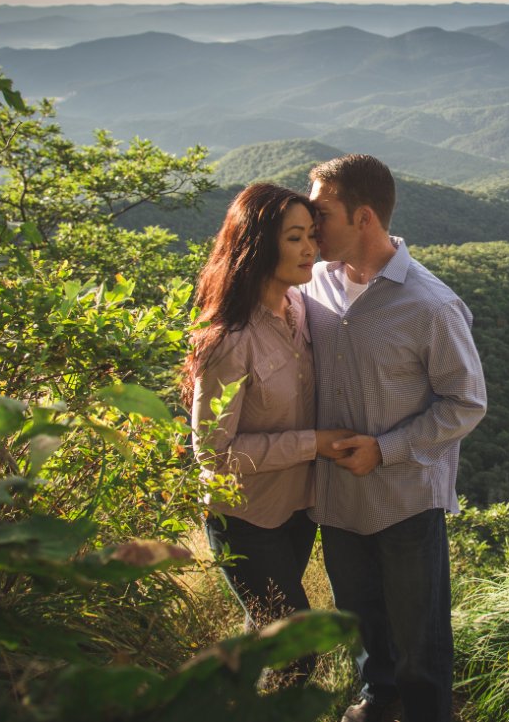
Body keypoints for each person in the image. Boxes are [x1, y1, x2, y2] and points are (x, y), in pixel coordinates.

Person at [303, 154, 488, 722]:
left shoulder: (431, 306)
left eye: (321, 212)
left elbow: (466, 403)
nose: (311, 224)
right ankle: (377, 704)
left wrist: (386, 448)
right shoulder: (312, 285)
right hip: (337, 498)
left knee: (419, 635)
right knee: (361, 619)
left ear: (363, 217)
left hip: (406, 497)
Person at [181, 182, 356, 677]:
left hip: (297, 509)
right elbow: (214, 455)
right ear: (258, 247)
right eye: (294, 238)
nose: (310, 249)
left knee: (265, 636)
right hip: (245, 517)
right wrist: (314, 444)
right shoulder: (229, 341)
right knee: (297, 650)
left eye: (311, 236)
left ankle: (221, 700)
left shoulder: (301, 310)